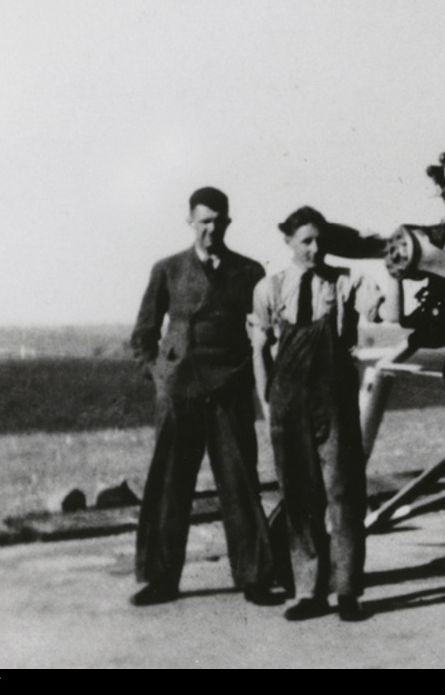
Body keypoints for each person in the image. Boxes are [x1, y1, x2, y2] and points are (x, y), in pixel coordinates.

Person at [129, 187, 282, 607]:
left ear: (228, 222)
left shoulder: (249, 272)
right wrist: (159, 374)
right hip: (180, 393)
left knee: (240, 483)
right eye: (203, 221)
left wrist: (251, 377)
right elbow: (143, 333)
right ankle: (160, 579)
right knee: (169, 486)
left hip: (228, 390)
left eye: (218, 221)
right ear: (190, 222)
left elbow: (261, 334)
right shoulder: (168, 270)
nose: (210, 229)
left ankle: (254, 577)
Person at [249, 206, 378, 622]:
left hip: (333, 404)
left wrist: (392, 259)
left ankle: (348, 592)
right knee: (300, 501)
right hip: (288, 406)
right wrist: (268, 403)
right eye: (306, 241)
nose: (315, 248)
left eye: (320, 240)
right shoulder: (269, 289)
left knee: (343, 496)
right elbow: (260, 349)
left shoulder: (346, 281)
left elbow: (385, 312)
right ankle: (308, 592)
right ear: (288, 242)